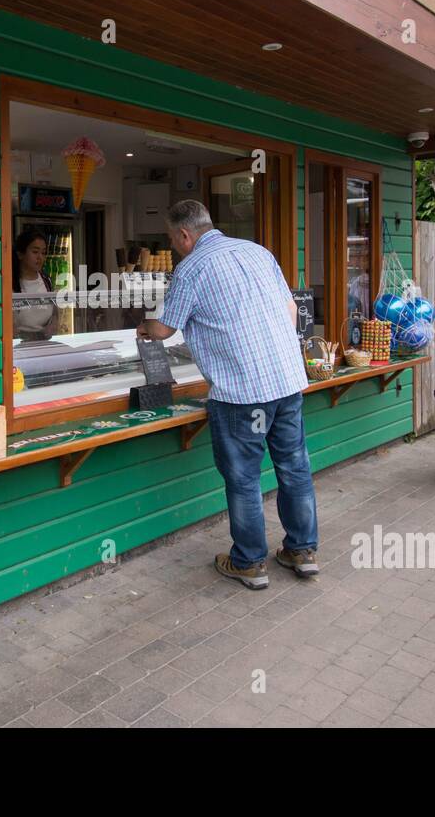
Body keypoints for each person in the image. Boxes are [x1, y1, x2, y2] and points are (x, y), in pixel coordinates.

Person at [137, 200, 317, 590]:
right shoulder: (258, 251)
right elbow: (289, 309)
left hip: (242, 394)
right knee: (294, 467)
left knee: (244, 479)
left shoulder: (191, 269)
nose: (173, 245)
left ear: (184, 235)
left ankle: (250, 563)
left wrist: (143, 327)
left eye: (171, 238)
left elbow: (165, 330)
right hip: (287, 382)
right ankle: (301, 552)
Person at [12, 230, 56, 341]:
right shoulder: (10, 284)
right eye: (35, 252)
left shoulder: (47, 281)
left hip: (43, 345)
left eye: (43, 253)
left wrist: (52, 326)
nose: (40, 257)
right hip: (17, 347)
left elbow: (55, 314)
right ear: (20, 254)